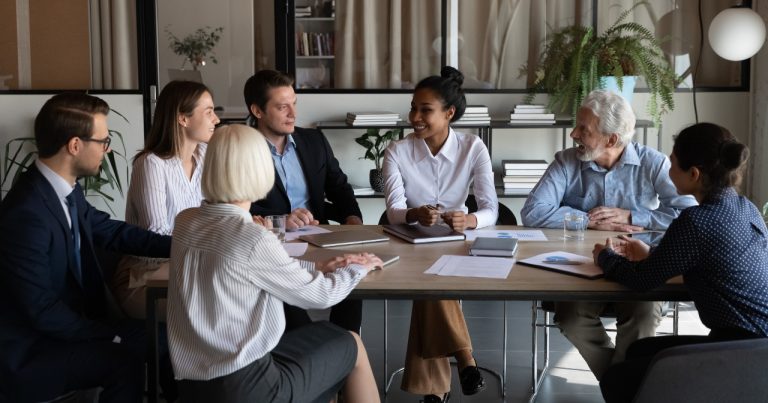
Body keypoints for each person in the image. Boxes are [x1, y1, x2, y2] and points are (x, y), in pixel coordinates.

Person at [167, 124, 382, 403]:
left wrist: (317, 267)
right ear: (259, 169)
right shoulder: (252, 237)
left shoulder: (186, 221)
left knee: (321, 350)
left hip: (193, 383)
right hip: (249, 386)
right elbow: (320, 296)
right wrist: (358, 267)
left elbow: (252, 270)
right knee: (350, 343)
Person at [0, 93, 172, 402]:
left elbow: (114, 233)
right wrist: (109, 334)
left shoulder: (64, 191)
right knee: (123, 362)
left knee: (165, 339)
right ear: (75, 145)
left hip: (68, 327)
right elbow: (41, 309)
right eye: (103, 142)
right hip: (32, 349)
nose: (108, 150)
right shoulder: (26, 214)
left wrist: (184, 245)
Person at [520, 90, 697, 380]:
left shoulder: (651, 162)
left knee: (643, 316)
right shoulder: (567, 162)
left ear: (612, 139)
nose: (573, 134)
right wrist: (587, 220)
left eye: (583, 129)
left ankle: (621, 385)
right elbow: (533, 212)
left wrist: (633, 216)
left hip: (640, 264)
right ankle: (622, 384)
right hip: (581, 265)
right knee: (571, 317)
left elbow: (687, 213)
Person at [593, 123, 768, 403]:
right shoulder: (746, 208)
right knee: (641, 351)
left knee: (618, 380)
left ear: (694, 174)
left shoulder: (696, 222)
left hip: (741, 352)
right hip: (758, 345)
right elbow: (713, 258)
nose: (668, 170)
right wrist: (652, 253)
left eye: (672, 163)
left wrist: (605, 257)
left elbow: (642, 281)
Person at [382, 66, 498, 403]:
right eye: (413, 108)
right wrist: (415, 214)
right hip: (412, 243)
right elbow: (394, 211)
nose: (414, 116)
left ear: (449, 113)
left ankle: (434, 393)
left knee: (430, 286)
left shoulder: (473, 147)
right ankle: (465, 359)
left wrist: (470, 221)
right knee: (431, 280)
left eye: (425, 110)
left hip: (458, 244)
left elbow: (491, 208)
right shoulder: (397, 151)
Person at [243, 69, 365, 333]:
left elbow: (339, 188)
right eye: (282, 107)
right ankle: (308, 350)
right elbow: (237, 206)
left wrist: (352, 219)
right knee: (287, 299)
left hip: (318, 236)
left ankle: (346, 345)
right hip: (270, 244)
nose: (293, 114)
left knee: (353, 272)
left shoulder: (313, 141)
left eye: (294, 104)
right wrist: (280, 221)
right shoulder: (241, 149)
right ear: (258, 110)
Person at [111, 80, 219, 319]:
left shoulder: (204, 156)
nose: (216, 120)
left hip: (190, 267)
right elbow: (156, 233)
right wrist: (213, 240)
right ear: (183, 119)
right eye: (209, 112)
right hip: (144, 276)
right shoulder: (151, 163)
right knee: (213, 308)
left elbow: (216, 214)